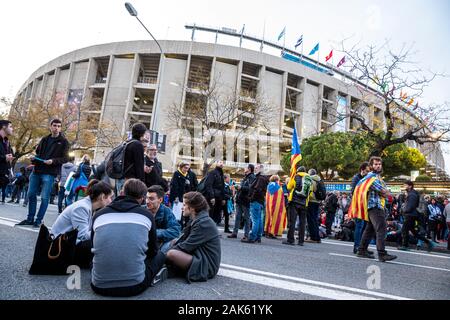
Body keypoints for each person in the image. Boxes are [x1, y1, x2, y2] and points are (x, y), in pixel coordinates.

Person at [90, 179, 167, 297]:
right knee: (160, 255)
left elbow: (93, 246)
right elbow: (152, 252)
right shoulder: (146, 215)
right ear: (142, 198)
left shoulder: (99, 214)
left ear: (121, 192)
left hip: (99, 285)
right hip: (134, 286)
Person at [16, 119, 69, 228]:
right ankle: (30, 219)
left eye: (59, 126)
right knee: (31, 194)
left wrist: (53, 161)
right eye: (54, 125)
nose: (56, 128)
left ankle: (38, 220)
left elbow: (65, 158)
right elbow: (38, 154)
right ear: (50, 126)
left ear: (61, 128)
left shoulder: (64, 142)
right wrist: (33, 159)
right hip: (37, 170)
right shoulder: (44, 139)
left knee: (45, 197)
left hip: (49, 173)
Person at [51, 180, 113, 267]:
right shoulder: (81, 207)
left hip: (68, 244)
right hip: (59, 248)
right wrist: (102, 230)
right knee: (100, 242)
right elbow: (82, 236)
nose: (111, 201)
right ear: (102, 197)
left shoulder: (90, 207)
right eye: (110, 197)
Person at [166, 191, 221, 283]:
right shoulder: (198, 219)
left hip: (207, 265)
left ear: (192, 208)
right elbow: (182, 240)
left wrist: (162, 255)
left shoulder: (203, 223)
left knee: (171, 254)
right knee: (174, 242)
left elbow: (186, 246)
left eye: (184, 205)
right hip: (200, 255)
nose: (182, 208)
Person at [352, 157, 397, 262]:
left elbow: (384, 192)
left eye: (380, 164)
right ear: (371, 166)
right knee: (381, 229)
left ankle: (362, 250)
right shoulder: (371, 178)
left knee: (370, 230)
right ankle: (382, 254)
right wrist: (386, 193)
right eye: (376, 164)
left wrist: (385, 192)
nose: (378, 166)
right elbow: (384, 192)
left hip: (374, 207)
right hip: (375, 207)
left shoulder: (376, 177)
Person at [398, 181, 435, 251]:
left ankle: (405, 245)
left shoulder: (412, 194)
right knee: (414, 232)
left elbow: (411, 205)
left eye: (405, 185)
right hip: (412, 214)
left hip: (410, 215)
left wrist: (405, 210)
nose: (404, 187)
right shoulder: (413, 193)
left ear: (410, 186)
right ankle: (429, 242)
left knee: (404, 230)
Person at [146, 185, 181, 254]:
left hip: (160, 245)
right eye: (146, 198)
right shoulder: (142, 210)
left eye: (151, 199)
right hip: (143, 244)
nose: (147, 201)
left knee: (175, 242)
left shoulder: (167, 211)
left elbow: (176, 231)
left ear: (160, 200)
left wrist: (153, 233)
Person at [282, 165, 312, 246]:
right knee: (302, 223)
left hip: (294, 202)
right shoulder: (309, 179)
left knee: (292, 221)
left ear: (298, 171)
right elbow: (311, 192)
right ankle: (301, 241)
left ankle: (290, 240)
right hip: (304, 203)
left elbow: (289, 187)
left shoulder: (295, 176)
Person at [242, 164, 269, 244]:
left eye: (257, 168)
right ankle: (258, 237)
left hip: (256, 201)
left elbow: (257, 190)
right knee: (259, 220)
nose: (255, 169)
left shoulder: (260, 178)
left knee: (255, 220)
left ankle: (253, 237)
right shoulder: (263, 178)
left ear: (261, 169)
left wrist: (251, 198)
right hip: (260, 201)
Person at [228, 164, 255, 240]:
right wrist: (237, 187)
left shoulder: (252, 177)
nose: (244, 169)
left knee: (246, 218)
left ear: (249, 169)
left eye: (246, 167)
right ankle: (234, 233)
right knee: (237, 217)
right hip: (240, 200)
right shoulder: (246, 177)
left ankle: (246, 235)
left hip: (245, 200)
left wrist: (240, 187)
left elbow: (250, 188)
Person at [350, 161, 371, 254]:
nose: (368, 172)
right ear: (362, 170)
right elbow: (353, 191)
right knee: (359, 226)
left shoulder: (367, 179)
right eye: (367, 171)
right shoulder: (357, 178)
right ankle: (357, 246)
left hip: (366, 205)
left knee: (365, 227)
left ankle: (362, 247)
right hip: (359, 205)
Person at [202, 160, 225, 225]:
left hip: (218, 198)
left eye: (222, 163)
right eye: (220, 162)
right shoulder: (212, 172)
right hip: (212, 198)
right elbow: (208, 185)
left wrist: (223, 198)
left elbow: (222, 187)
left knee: (216, 216)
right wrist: (212, 197)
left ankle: (212, 230)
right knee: (210, 215)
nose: (221, 164)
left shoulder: (221, 174)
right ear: (216, 163)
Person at [305, 169, 322, 244]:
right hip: (317, 202)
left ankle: (313, 237)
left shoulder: (311, 180)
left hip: (311, 201)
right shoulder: (319, 180)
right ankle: (317, 237)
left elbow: (309, 191)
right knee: (315, 220)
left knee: (311, 220)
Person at [0, 120, 14, 204]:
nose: (12, 129)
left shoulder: (7, 142)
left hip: (2, 174)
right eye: (10, 127)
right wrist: (4, 158)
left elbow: (10, 154)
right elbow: (4, 157)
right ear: (4, 127)